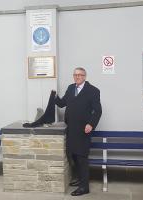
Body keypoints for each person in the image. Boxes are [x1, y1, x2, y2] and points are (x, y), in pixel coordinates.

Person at [55, 67, 102, 196]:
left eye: (80, 75)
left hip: (83, 130)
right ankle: (81, 179)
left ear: (85, 76)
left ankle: (84, 187)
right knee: (73, 155)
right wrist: (54, 97)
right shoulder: (71, 88)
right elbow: (62, 103)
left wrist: (91, 124)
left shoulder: (93, 91)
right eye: (75, 75)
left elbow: (98, 111)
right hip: (71, 128)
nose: (77, 77)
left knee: (82, 157)